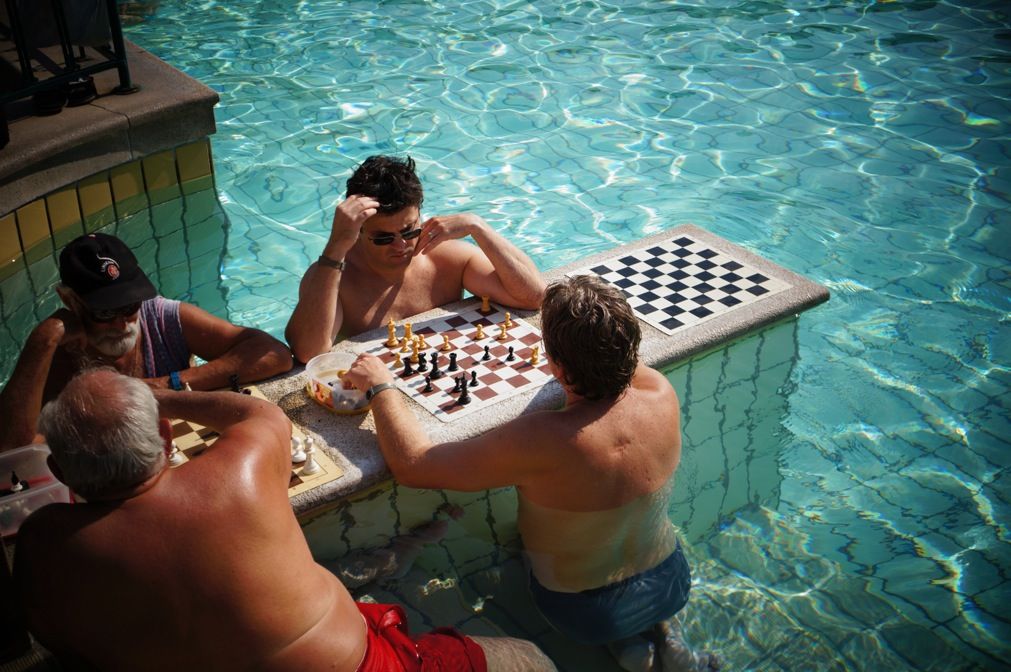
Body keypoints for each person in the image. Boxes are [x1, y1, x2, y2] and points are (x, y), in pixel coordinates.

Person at [13, 369, 558, 672]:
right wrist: (163, 394)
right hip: (358, 666)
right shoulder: (239, 472)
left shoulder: (43, 544)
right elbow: (258, 412)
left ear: (60, 470)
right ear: (163, 436)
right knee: (528, 659)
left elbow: (59, 643)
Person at [345, 275, 719, 672]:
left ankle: (627, 649)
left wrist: (382, 386)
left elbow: (413, 466)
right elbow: (611, 360)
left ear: (555, 364)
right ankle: (665, 639)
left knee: (519, 548)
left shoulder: (542, 439)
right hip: (671, 580)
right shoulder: (660, 393)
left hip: (586, 611)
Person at [0, 232, 293, 453]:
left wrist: (167, 384)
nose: (122, 323)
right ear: (69, 299)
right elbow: (11, 450)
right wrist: (44, 338)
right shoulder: (56, 354)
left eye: (129, 306)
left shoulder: (162, 317)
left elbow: (274, 355)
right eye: (104, 311)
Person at [285, 155, 545, 363]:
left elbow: (532, 297)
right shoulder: (334, 278)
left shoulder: (446, 258)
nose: (401, 245)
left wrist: (478, 227)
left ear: (420, 213)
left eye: (409, 231)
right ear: (359, 231)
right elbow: (311, 354)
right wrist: (335, 247)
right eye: (383, 238)